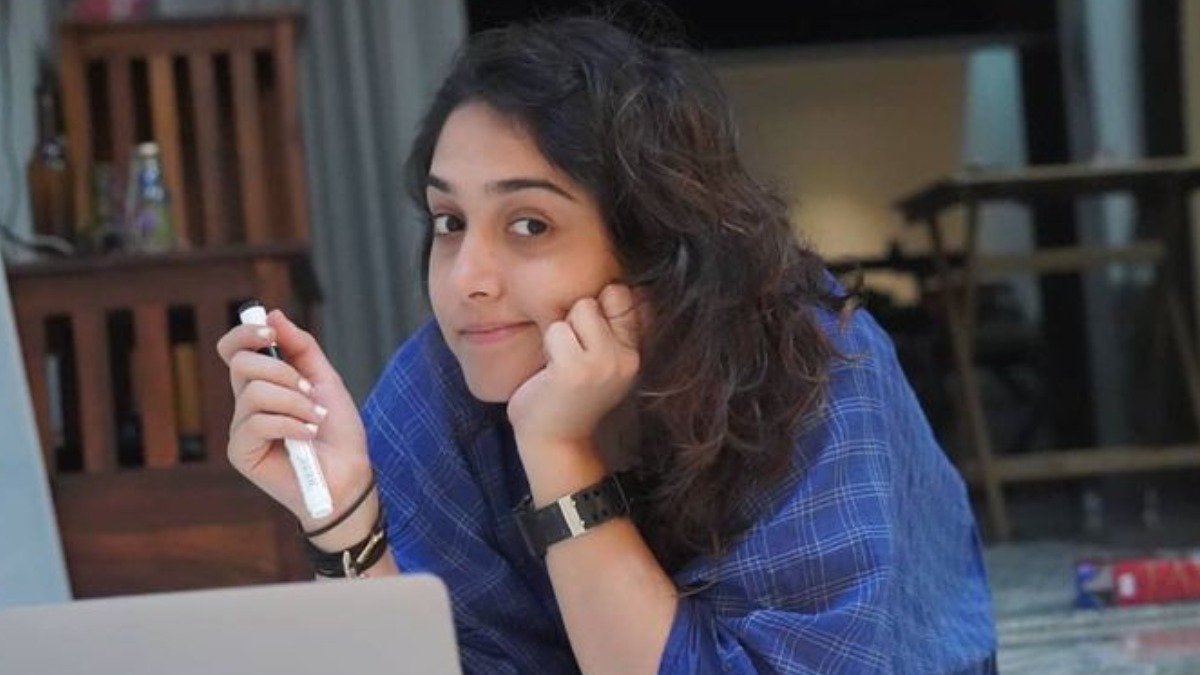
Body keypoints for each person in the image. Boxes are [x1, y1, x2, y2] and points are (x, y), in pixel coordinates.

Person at [217, 12, 996, 674]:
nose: (466, 279)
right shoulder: (442, 382)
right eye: (450, 222)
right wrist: (344, 516)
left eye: (530, 224)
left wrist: (561, 456)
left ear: (654, 245)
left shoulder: (804, 357)